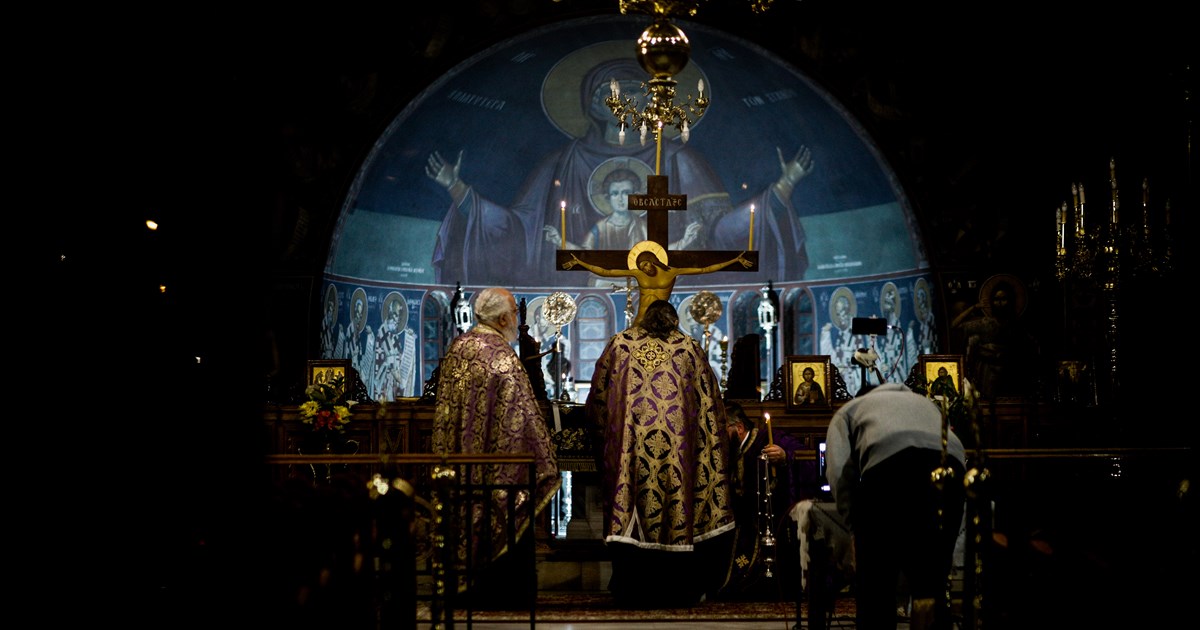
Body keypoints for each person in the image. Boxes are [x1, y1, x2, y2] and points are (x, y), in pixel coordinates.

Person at [425, 52, 812, 285]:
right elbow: (518, 231)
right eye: (611, 93)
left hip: (667, 292)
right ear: (590, 104)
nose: (626, 100)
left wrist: (782, 188)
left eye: (633, 91)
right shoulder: (561, 162)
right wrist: (458, 189)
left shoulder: (678, 159)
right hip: (586, 296)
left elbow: (722, 231)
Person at [586, 300, 734, 607]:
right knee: (676, 507)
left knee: (630, 505)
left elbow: (598, 402)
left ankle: (630, 589)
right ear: (674, 321)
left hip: (630, 454)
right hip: (678, 456)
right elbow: (710, 408)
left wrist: (608, 442)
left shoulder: (620, 345)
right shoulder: (689, 348)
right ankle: (676, 590)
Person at [431, 287, 562, 606]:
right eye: (514, 313)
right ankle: (502, 592)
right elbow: (524, 418)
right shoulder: (502, 357)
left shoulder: (459, 347)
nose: (517, 319)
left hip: (461, 466)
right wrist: (545, 456)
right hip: (496, 471)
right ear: (503, 318)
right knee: (504, 516)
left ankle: (466, 586)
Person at [825, 383, 966, 630]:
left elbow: (839, 474)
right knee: (931, 581)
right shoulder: (925, 403)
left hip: (890, 470)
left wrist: (855, 530)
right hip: (951, 471)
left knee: (876, 583)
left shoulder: (850, 409)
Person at [717, 401, 815, 601]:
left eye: (722, 431)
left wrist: (785, 456)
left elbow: (808, 460)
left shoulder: (770, 438)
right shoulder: (727, 452)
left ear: (739, 428)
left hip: (772, 520)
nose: (719, 437)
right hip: (740, 524)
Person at [563, 240, 751, 326]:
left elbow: (704, 269)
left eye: (646, 264)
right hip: (641, 318)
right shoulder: (638, 274)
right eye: (641, 266)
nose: (645, 268)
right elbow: (607, 272)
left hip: (663, 319)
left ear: (654, 261)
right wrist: (580, 262)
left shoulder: (672, 272)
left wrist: (734, 260)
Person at [541, 166, 702, 253]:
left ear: (635, 195)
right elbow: (585, 256)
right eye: (615, 193)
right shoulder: (600, 229)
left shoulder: (642, 226)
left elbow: (658, 252)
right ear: (608, 197)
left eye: (626, 193)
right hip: (603, 284)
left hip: (637, 283)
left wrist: (684, 241)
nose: (620, 198)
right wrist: (559, 241)